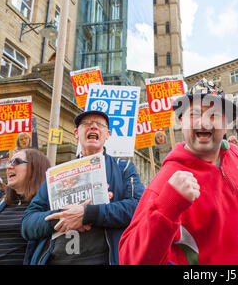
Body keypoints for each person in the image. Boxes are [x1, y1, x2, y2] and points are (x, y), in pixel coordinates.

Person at [118, 78, 238, 265]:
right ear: (182, 121)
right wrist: (168, 206)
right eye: (195, 114)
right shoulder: (167, 180)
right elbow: (130, 259)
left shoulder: (234, 152)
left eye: (214, 114)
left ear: (226, 124)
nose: (204, 122)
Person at [21, 110, 145, 265]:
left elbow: (138, 208)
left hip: (103, 259)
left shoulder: (123, 168)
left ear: (107, 134)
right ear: (76, 133)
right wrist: (62, 218)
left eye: (99, 124)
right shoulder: (55, 175)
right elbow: (28, 224)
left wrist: (88, 214)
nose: (93, 127)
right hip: (56, 259)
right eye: (86, 123)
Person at [0, 149, 50, 265]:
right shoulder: (2, 201)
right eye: (9, 162)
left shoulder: (46, 205)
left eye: (16, 162)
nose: (8, 167)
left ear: (35, 168)